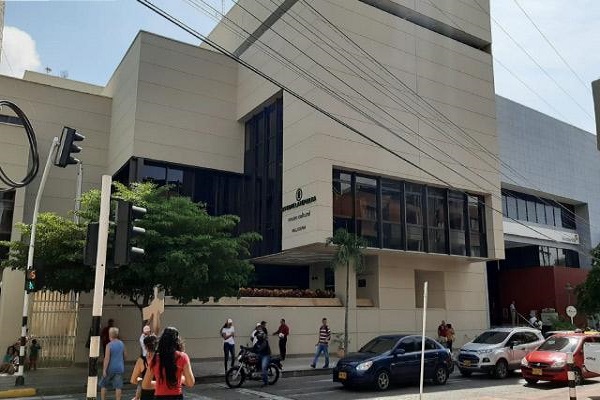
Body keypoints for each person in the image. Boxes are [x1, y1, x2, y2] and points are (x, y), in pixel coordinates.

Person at [142, 326, 195, 399]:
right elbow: (190, 383)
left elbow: (145, 385)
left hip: (159, 397)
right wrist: (180, 379)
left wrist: (160, 384)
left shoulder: (155, 358)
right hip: (176, 397)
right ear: (177, 341)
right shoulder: (182, 357)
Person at [100, 327, 126, 400]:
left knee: (104, 385)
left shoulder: (109, 345)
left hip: (110, 368)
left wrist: (104, 370)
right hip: (119, 368)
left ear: (109, 335)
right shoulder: (121, 343)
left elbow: (107, 358)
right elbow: (125, 355)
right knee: (118, 386)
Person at [130, 335, 157, 400]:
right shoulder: (162, 359)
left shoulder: (141, 360)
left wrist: (142, 381)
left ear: (145, 347)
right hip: (160, 393)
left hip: (146, 394)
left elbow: (133, 380)